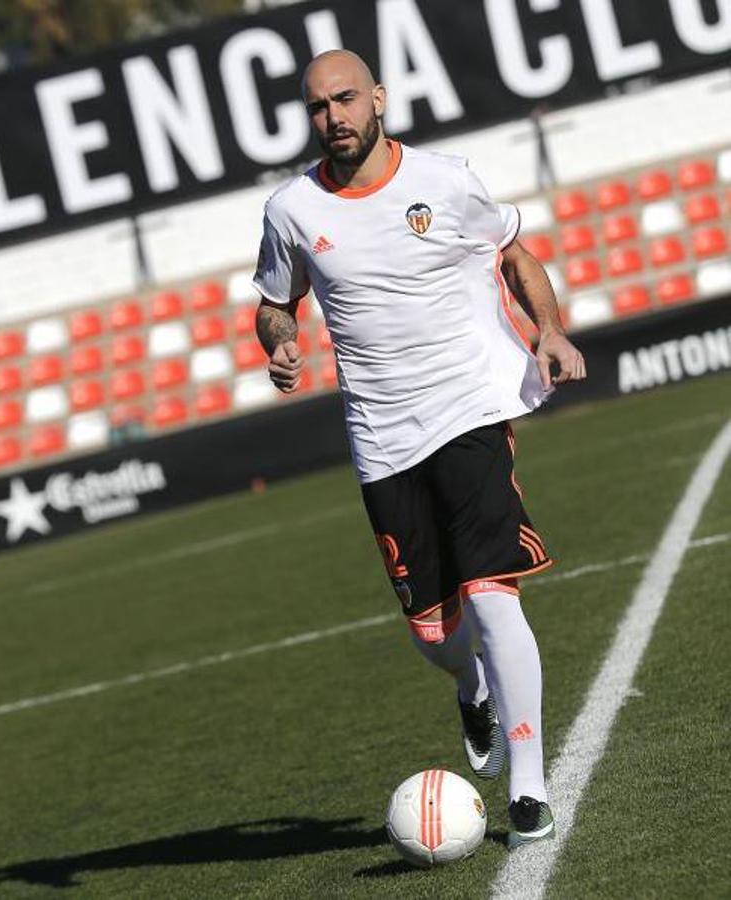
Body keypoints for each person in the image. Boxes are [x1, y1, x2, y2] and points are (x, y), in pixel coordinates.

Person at [252, 50, 586, 850]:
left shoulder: (444, 179)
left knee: (493, 590)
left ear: (378, 99)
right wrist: (281, 342)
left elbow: (512, 253)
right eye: (317, 107)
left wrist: (549, 327)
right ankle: (472, 689)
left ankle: (529, 789)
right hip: (381, 436)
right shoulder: (291, 209)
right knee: (435, 634)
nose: (333, 117)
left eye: (345, 100)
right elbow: (273, 302)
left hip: (469, 406)